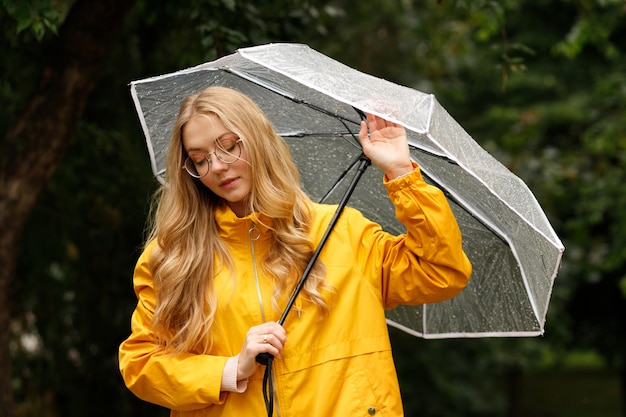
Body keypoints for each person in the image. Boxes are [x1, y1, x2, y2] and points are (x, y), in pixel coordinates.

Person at [118, 86, 472, 417]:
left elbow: (440, 271)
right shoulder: (172, 257)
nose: (218, 166)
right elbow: (142, 363)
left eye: (229, 146)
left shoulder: (342, 232)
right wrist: (230, 369)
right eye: (199, 159)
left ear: (258, 141)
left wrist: (399, 173)